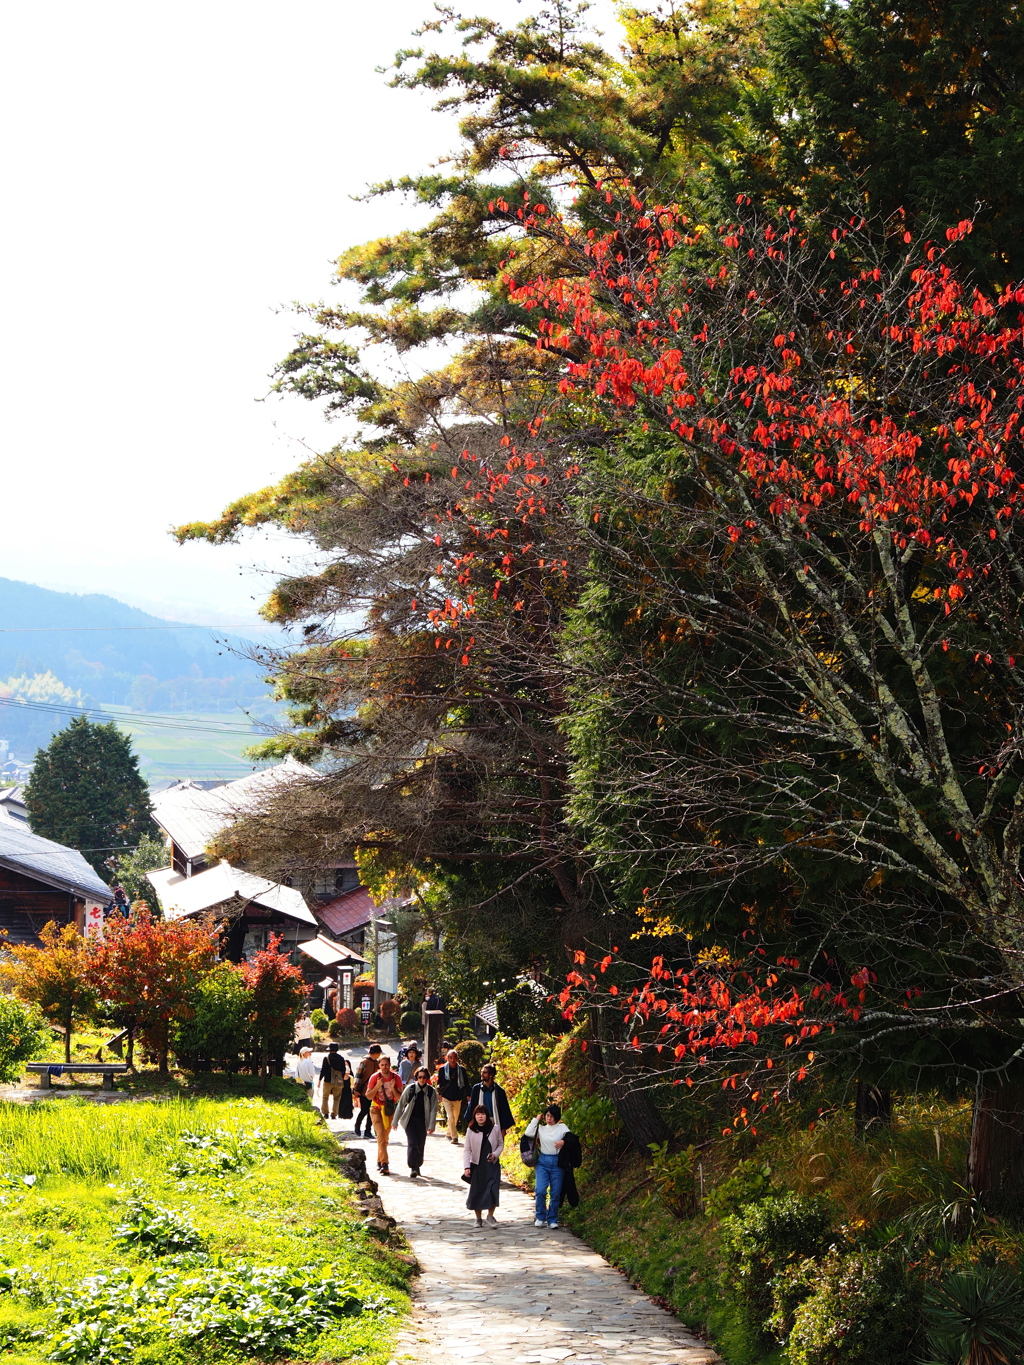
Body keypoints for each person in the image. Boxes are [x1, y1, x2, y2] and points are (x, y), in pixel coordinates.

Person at [524, 1104, 570, 1228]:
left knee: (555, 1193)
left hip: (557, 1162)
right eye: (547, 1115)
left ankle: (553, 1219)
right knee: (540, 1190)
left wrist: (564, 1141)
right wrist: (536, 1119)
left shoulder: (562, 1127)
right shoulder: (541, 1129)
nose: (549, 1118)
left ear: (557, 1117)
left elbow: (571, 1138)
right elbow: (528, 1133)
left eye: (552, 1116)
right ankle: (540, 1216)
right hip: (543, 1161)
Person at [463, 1102, 504, 1229]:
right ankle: (478, 1218)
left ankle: (490, 1216)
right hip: (477, 1165)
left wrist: (495, 1154)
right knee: (477, 1191)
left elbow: (500, 1144)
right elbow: (467, 1149)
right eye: (478, 1114)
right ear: (474, 1116)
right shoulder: (471, 1130)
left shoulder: (495, 1129)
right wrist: (466, 1167)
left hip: (492, 1165)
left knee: (492, 1189)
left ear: (487, 1116)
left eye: (483, 1114)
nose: (480, 1117)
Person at [393, 1064, 437, 1177]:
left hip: (423, 1121)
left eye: (424, 1077)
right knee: (412, 1142)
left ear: (427, 1078)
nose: (422, 1079)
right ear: (416, 1077)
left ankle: (418, 1165)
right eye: (420, 1077)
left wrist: (432, 1125)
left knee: (420, 1143)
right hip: (410, 1120)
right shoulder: (410, 1089)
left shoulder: (431, 1092)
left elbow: (433, 1109)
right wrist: (395, 1121)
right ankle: (413, 1167)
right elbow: (401, 1105)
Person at [366, 1054, 404, 1174]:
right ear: (379, 1066)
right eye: (382, 1065)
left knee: (384, 1138)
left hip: (388, 1110)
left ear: (389, 1065)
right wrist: (377, 1086)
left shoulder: (396, 1078)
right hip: (376, 1109)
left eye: (386, 1064)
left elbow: (399, 1098)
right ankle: (385, 1164)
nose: (384, 1067)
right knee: (381, 1134)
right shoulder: (375, 1077)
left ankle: (379, 1160)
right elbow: (368, 1096)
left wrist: (393, 1088)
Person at [466, 1064, 515, 1135]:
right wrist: (471, 1124)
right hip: (479, 1121)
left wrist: (503, 1128)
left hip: (495, 1122)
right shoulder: (476, 1089)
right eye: (482, 1072)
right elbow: (472, 1107)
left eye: (485, 1072)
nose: (482, 1074)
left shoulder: (499, 1091)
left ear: (491, 1075)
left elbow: (504, 1111)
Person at [435, 1049, 470, 1144]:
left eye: (454, 1057)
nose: (452, 1059)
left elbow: (466, 1083)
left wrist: (468, 1094)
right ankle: (455, 1137)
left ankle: (449, 1133)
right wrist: (440, 1095)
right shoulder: (442, 1069)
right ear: (447, 1058)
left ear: (457, 1058)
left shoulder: (461, 1070)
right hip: (446, 1096)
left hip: (458, 1096)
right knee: (450, 1116)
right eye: (450, 1057)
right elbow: (440, 1083)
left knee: (455, 1117)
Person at [353, 1044, 382, 1137]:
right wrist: (356, 1089)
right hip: (364, 1090)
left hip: (374, 1091)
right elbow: (358, 1076)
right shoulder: (364, 1062)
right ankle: (357, 1127)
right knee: (364, 1110)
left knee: (372, 1111)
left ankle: (367, 1131)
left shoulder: (377, 1063)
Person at [319, 1043, 350, 1119]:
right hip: (338, 1081)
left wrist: (319, 1080)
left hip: (328, 1081)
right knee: (337, 1098)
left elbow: (323, 1070)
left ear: (329, 1050)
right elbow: (343, 1070)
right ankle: (334, 1114)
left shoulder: (326, 1058)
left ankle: (326, 1113)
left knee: (325, 1097)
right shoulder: (341, 1058)